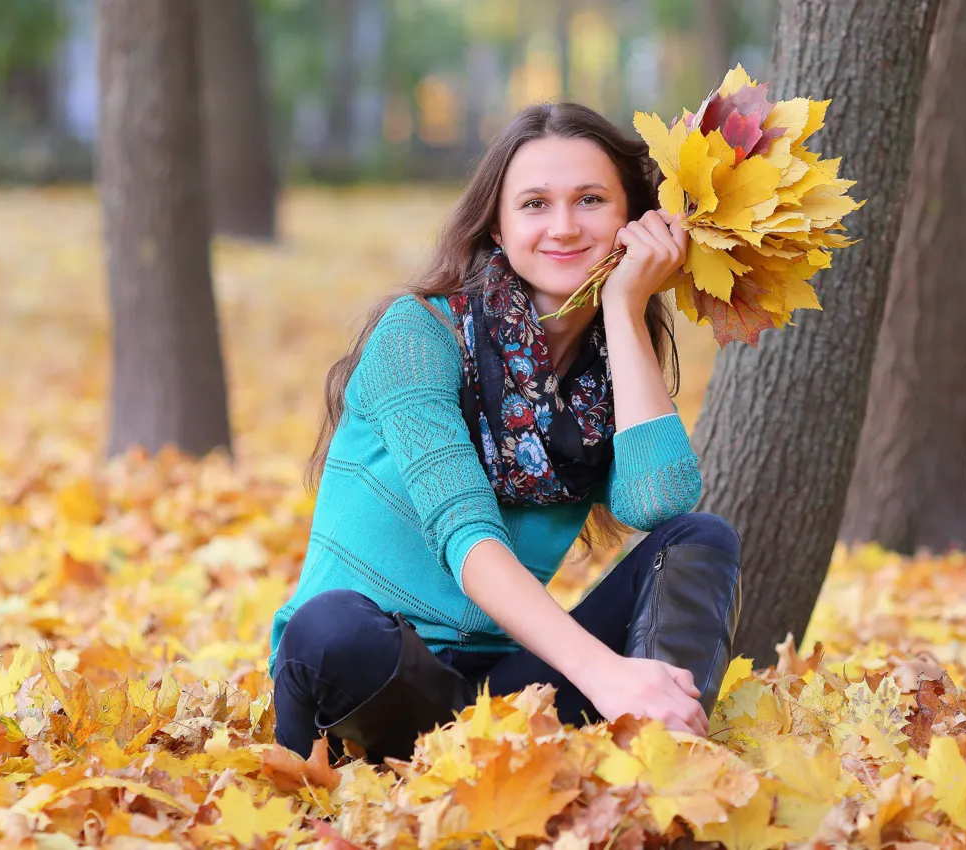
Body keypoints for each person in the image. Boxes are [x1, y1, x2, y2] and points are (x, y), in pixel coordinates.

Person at [269, 101, 742, 764]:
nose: (564, 226)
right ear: (497, 222)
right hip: (366, 684)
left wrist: (626, 310)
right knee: (330, 627)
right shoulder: (417, 335)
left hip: (494, 698)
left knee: (699, 540)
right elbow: (468, 542)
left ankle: (660, 763)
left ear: (630, 221)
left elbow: (659, 501)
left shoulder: (601, 374)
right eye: (535, 204)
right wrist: (606, 674)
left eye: (590, 200)